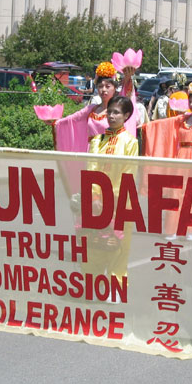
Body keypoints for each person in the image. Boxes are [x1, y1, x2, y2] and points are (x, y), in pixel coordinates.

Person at [82, 96, 139, 282]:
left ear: (126, 115)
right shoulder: (97, 141)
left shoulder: (130, 142)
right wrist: (95, 197)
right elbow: (91, 168)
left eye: (117, 113)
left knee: (119, 247)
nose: (111, 116)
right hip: (96, 203)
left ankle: (116, 286)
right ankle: (92, 284)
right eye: (110, 112)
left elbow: (128, 173)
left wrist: (113, 200)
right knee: (94, 245)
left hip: (120, 203)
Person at [55, 62, 137, 153]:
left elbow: (126, 94)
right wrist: (54, 122)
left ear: (114, 88)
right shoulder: (91, 109)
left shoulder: (118, 110)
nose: (104, 90)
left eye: (108, 86)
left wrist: (127, 78)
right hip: (91, 152)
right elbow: (71, 119)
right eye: (100, 86)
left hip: (110, 152)